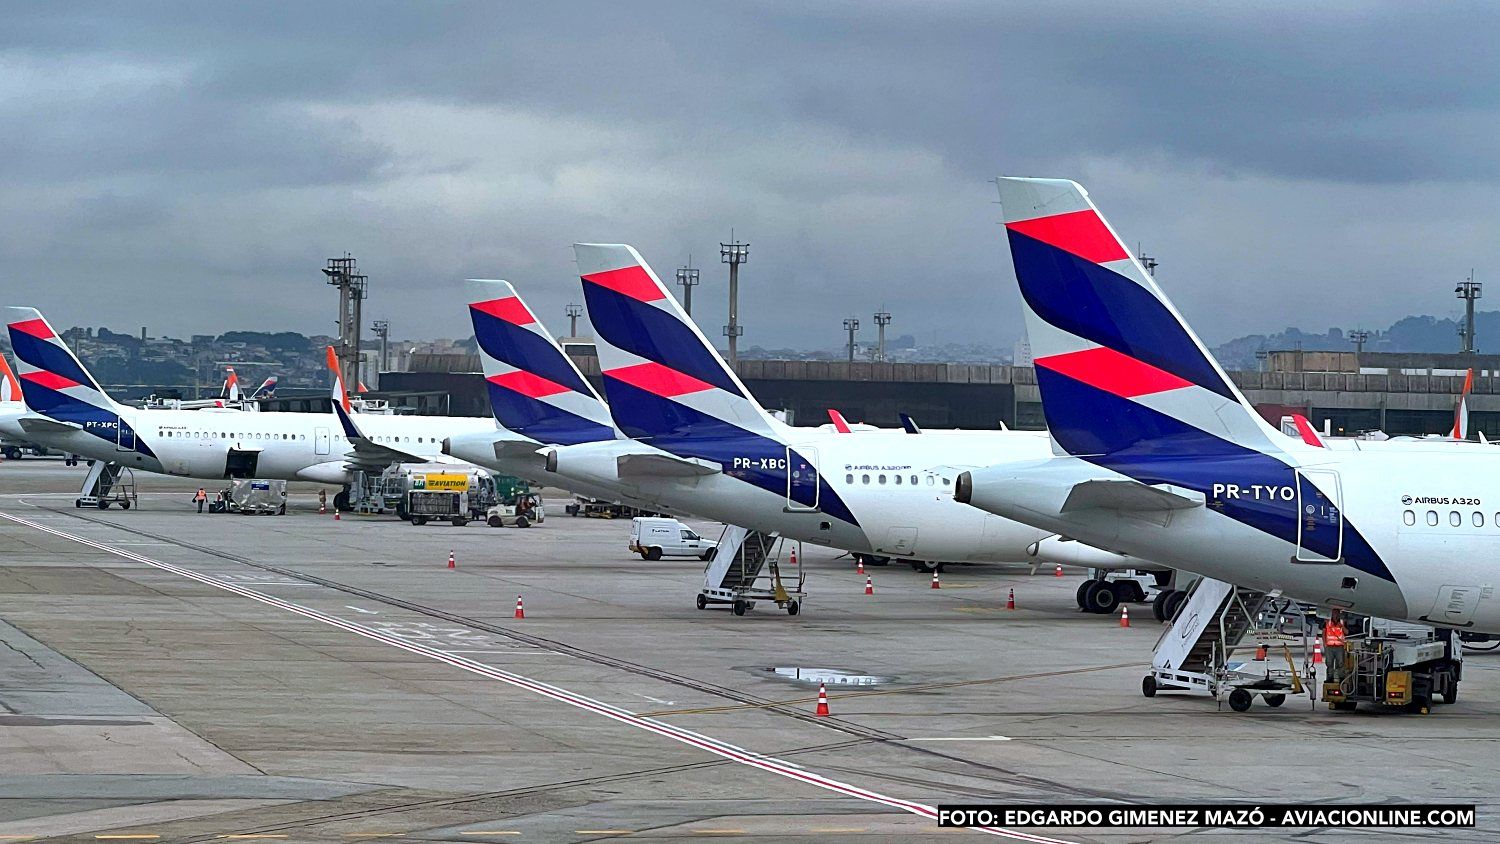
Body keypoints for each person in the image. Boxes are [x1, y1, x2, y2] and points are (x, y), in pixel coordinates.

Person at [1324, 608, 1348, 685]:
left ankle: (1341, 678)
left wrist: (1342, 626)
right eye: (1334, 614)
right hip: (1329, 646)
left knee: (1340, 663)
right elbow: (1324, 633)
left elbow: (1347, 632)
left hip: (1339, 646)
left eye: (1337, 614)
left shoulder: (1342, 622)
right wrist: (1324, 643)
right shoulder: (1327, 622)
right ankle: (1329, 678)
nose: (1336, 615)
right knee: (1329, 663)